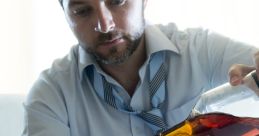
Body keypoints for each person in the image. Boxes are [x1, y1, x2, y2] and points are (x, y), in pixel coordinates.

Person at [22, 0, 259, 135]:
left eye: (117, 1)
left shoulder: (202, 50)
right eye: (82, 11)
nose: (105, 25)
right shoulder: (50, 97)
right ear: (64, 15)